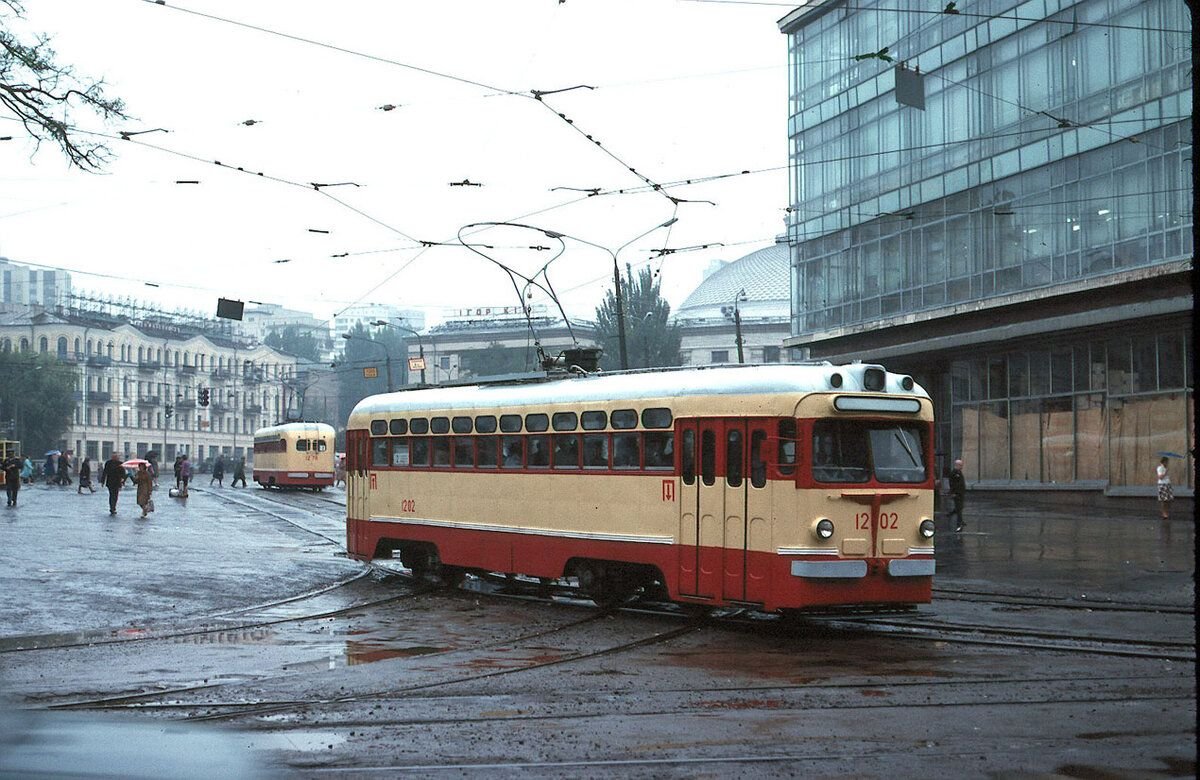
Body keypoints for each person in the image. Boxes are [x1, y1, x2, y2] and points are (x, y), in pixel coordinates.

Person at [948, 458, 966, 532]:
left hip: (960, 493)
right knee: (959, 508)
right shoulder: (954, 473)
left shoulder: (958, 472)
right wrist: (953, 493)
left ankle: (952, 514)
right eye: (961, 465)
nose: (962, 466)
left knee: (960, 507)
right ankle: (959, 524)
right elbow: (952, 484)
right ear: (957, 465)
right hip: (957, 493)